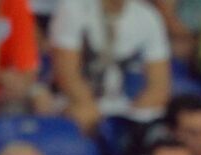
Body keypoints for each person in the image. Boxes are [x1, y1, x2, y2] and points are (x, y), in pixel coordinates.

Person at [49, 0, 171, 136]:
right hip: (76, 99)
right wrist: (93, 109)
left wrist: (133, 117)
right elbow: (67, 74)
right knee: (83, 115)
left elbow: (159, 85)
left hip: (122, 105)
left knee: (160, 120)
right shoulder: (74, 7)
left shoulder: (148, 16)